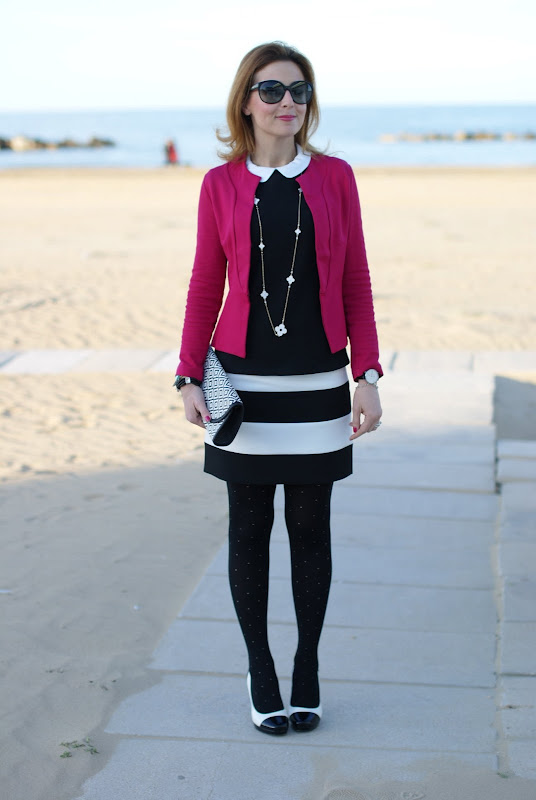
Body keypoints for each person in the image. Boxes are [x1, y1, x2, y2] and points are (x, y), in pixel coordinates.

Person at [175, 41, 382, 736]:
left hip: (319, 379)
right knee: (249, 530)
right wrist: (186, 374)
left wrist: (369, 375)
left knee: (311, 529)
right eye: (271, 90)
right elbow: (206, 283)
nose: (287, 102)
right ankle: (261, 670)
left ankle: (307, 668)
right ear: (245, 101)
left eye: (298, 91)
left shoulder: (336, 178)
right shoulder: (219, 185)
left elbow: (355, 278)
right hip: (243, 384)